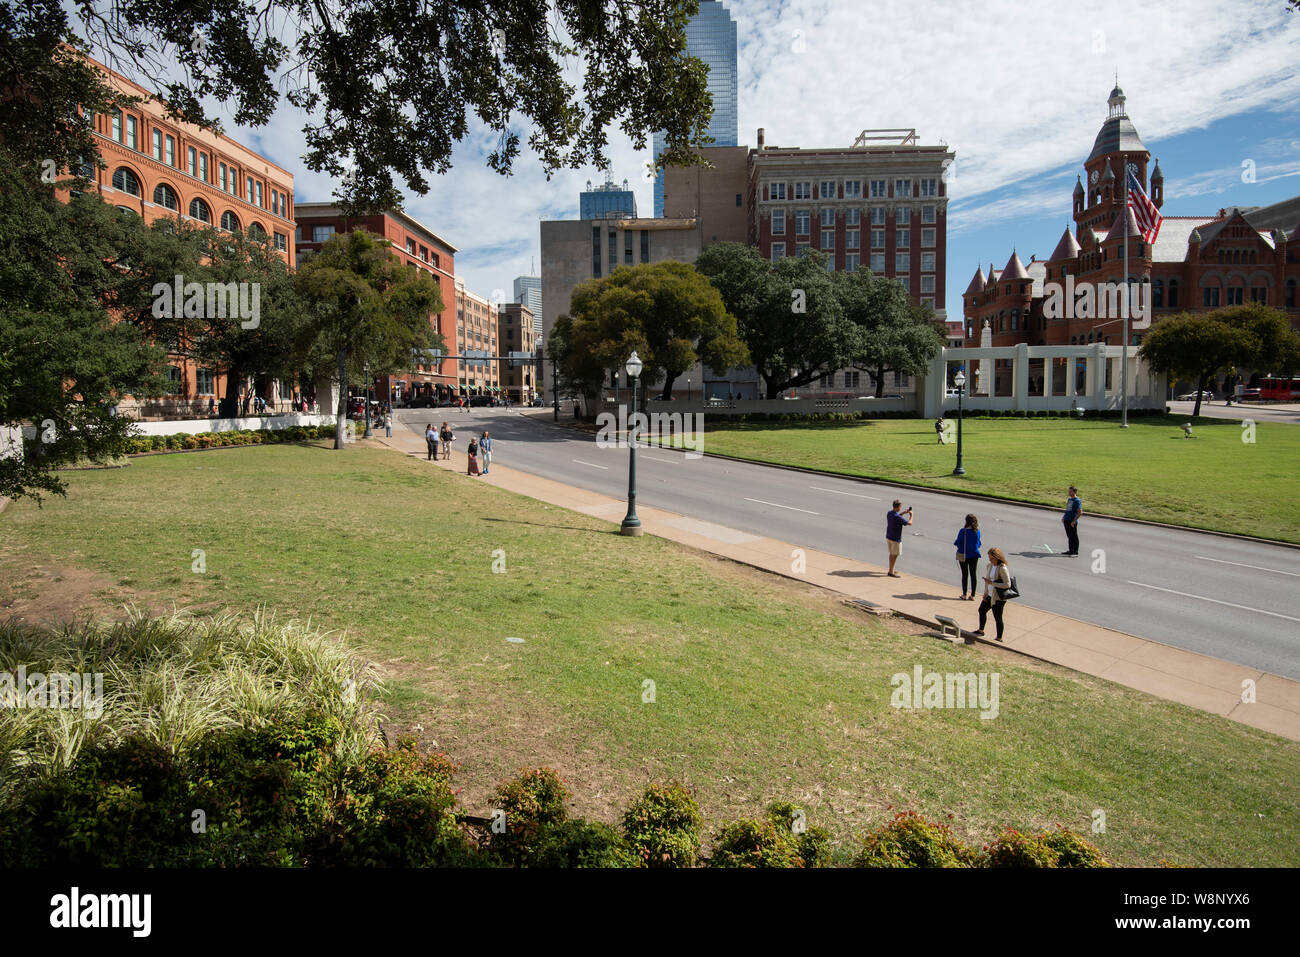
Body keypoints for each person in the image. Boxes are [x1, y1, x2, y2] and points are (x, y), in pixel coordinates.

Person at [973, 547, 1012, 642]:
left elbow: (1007, 584)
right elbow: (987, 581)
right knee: (982, 610)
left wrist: (992, 583)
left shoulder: (1002, 568)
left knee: (997, 617)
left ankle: (999, 637)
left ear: (997, 557)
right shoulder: (990, 566)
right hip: (989, 595)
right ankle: (981, 630)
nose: (990, 560)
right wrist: (985, 593)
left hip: (998, 598)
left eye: (992, 558)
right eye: (989, 558)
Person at [953, 514, 981, 600]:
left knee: (965, 575)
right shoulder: (977, 531)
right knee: (973, 574)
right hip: (974, 555)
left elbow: (958, 542)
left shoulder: (963, 531)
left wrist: (956, 543)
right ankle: (972, 595)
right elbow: (979, 543)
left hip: (964, 555)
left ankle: (964, 594)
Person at [885, 500, 912, 577]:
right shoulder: (897, 517)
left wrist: (903, 513)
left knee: (891, 554)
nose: (901, 507)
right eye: (900, 506)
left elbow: (897, 516)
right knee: (895, 554)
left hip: (889, 536)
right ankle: (891, 572)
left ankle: (891, 569)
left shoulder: (889, 513)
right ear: (898, 507)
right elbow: (909, 523)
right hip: (895, 538)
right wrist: (911, 515)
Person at [1062, 485, 1083, 556]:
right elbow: (1067, 509)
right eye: (1069, 491)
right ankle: (1071, 550)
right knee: (1069, 536)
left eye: (1070, 492)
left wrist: (1074, 521)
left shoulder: (1077, 501)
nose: (1069, 493)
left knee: (1074, 536)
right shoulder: (1069, 499)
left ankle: (1075, 551)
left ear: (1075, 492)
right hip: (1066, 520)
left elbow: (1080, 512)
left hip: (1072, 521)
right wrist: (1063, 517)